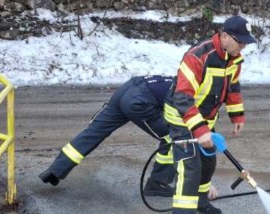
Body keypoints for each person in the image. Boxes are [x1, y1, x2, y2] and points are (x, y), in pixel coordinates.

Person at [144, 15, 255, 214]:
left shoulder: (234, 58)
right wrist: (200, 130)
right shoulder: (198, 56)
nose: (244, 46)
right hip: (182, 120)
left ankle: (200, 200)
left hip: (205, 120)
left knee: (208, 161)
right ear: (224, 36)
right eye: (241, 41)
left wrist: (237, 115)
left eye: (246, 43)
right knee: (190, 170)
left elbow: (232, 88)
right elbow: (183, 97)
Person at [38, 75, 176, 186]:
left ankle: (55, 170)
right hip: (139, 100)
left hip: (128, 88)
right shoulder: (188, 92)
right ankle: (158, 184)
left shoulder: (176, 81)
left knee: (94, 132)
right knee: (173, 137)